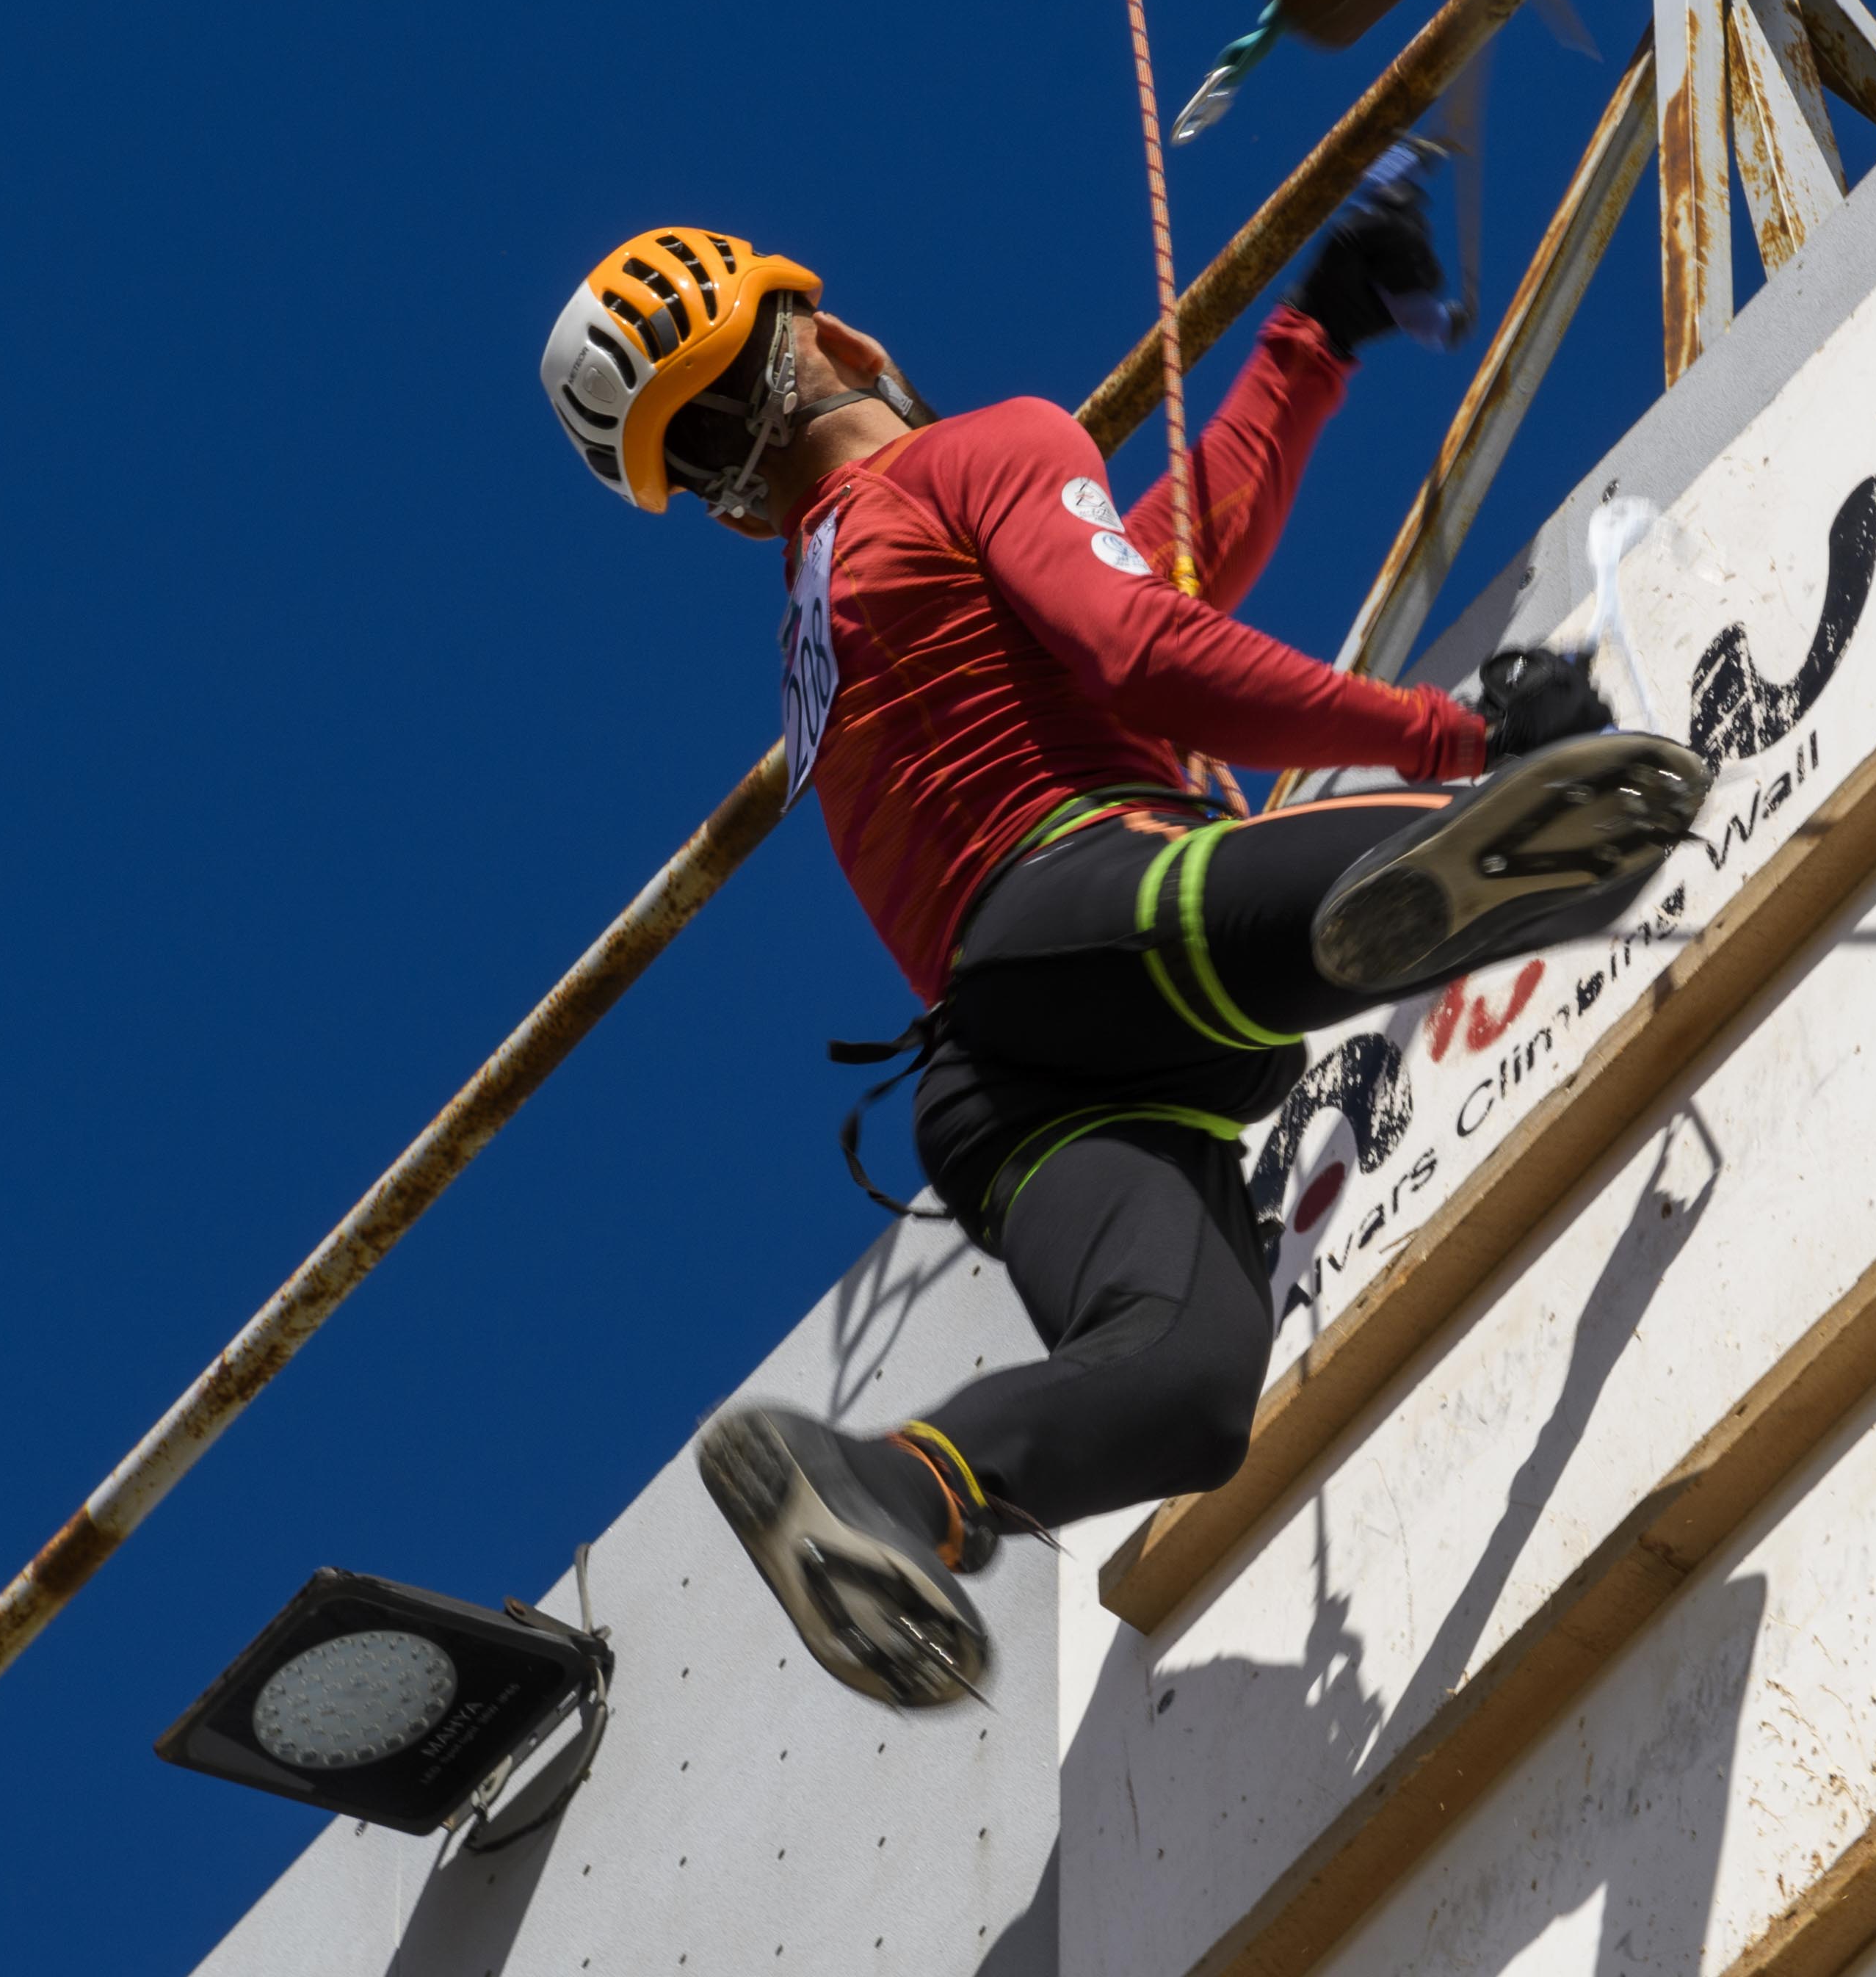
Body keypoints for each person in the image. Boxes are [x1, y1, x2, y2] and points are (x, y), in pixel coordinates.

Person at [535, 173, 1701, 1710]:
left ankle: (895, 1486)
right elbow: (1141, 646)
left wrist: (1311, 340)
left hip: (999, 1078)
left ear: (727, 499)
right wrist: (1457, 729)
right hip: (1087, 918)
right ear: (830, 335)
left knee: (1190, 1382)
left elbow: (1164, 562)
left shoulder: (829, 602)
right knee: (1351, 883)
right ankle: (1468, 852)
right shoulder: (977, 451)